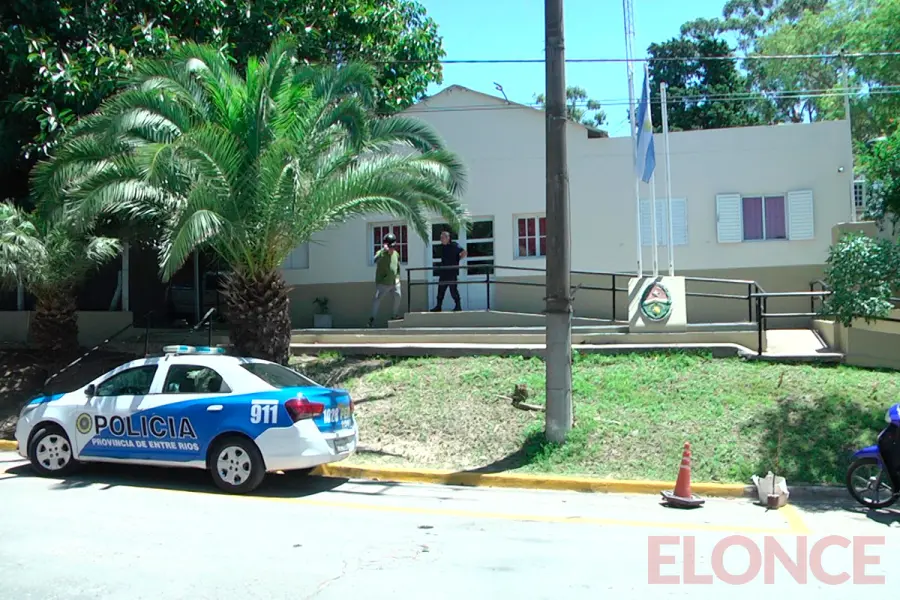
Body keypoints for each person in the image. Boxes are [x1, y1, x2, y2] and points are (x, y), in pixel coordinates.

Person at [368, 232, 403, 327]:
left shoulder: (396, 254)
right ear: (387, 246)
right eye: (391, 247)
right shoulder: (381, 253)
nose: (392, 249)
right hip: (383, 283)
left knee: (398, 296)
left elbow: (398, 267)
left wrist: (398, 278)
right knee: (377, 300)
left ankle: (394, 315)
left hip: (394, 282)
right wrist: (384, 250)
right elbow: (374, 259)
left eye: (394, 247)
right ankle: (372, 319)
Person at [431, 230, 467, 312]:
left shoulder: (454, 245)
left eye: (443, 237)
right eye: (441, 238)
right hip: (443, 272)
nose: (441, 239)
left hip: (452, 272)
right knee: (440, 290)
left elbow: (464, 252)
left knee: (453, 290)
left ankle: (458, 306)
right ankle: (438, 306)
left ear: (448, 238)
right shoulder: (442, 247)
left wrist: (458, 259)